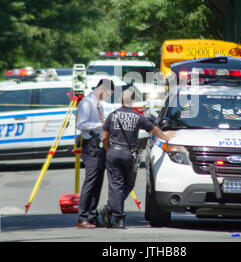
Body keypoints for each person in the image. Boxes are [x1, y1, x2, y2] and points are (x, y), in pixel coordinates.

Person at [99, 84, 174, 229]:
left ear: (121, 100)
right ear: (132, 101)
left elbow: (104, 137)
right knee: (127, 185)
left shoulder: (112, 115)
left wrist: (108, 149)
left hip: (114, 152)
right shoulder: (138, 117)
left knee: (116, 186)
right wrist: (166, 137)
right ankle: (117, 216)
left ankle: (110, 209)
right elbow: (154, 130)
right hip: (130, 155)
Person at [75, 78, 114, 229]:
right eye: (107, 94)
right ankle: (82, 217)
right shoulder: (87, 103)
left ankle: (91, 216)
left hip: (99, 146)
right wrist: (101, 124)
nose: (107, 98)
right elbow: (81, 124)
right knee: (90, 182)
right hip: (90, 145)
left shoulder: (98, 105)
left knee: (98, 182)